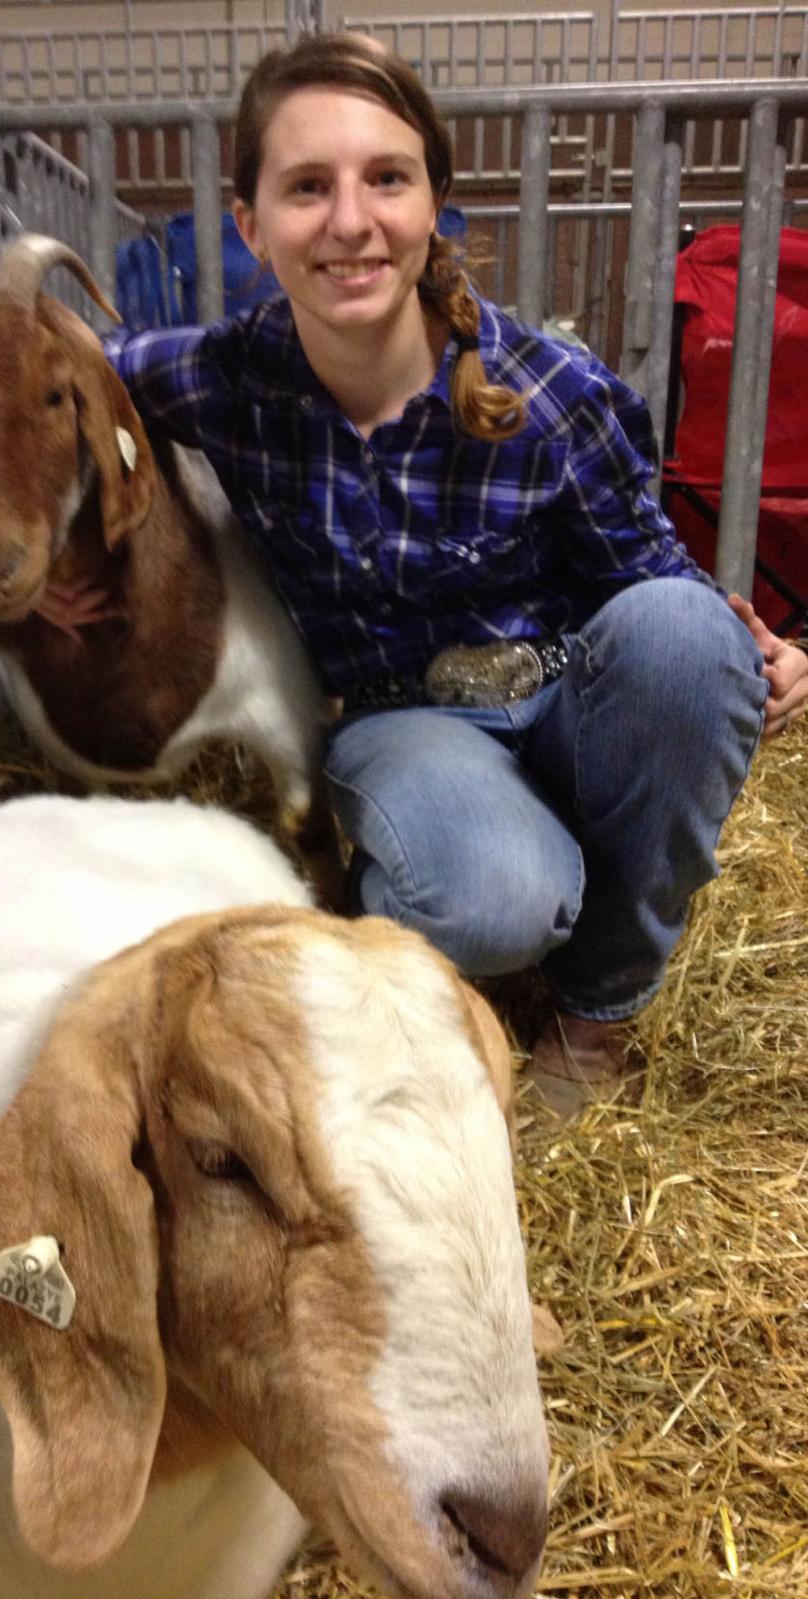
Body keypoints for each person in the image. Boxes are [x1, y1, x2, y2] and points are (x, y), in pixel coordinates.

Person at [53, 31, 808, 1116]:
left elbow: (651, 580)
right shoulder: (224, 376)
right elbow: (53, 381)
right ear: (250, 227)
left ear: (435, 206)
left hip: (563, 693)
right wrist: (60, 566)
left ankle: (597, 1010)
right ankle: (484, 884)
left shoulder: (549, 387)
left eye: (386, 179)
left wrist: (750, 656)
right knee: (493, 901)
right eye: (307, 187)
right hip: (409, 722)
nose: (351, 221)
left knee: (689, 639)